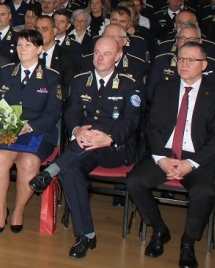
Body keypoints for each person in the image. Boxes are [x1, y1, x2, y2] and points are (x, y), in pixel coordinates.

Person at [30, 36, 140, 258]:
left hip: (113, 149)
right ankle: (86, 236)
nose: (100, 58)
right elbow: (71, 112)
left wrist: (109, 138)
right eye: (97, 53)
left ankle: (49, 171)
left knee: (78, 154)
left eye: (107, 54)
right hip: (83, 147)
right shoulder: (81, 81)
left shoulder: (130, 85)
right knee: (69, 172)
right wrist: (77, 130)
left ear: (118, 57)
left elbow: (131, 120)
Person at [127, 42, 215, 268]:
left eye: (191, 60)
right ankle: (160, 230)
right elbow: (152, 128)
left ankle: (188, 243)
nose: (184, 64)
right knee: (134, 182)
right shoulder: (164, 89)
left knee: (204, 191)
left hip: (198, 156)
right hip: (164, 153)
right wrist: (161, 160)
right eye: (181, 59)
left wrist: (190, 163)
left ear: (204, 65)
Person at [0, 29, 61, 234]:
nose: (22, 49)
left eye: (28, 45)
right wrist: (8, 125)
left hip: (38, 130)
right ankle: (1, 209)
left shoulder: (51, 76)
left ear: (39, 49)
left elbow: (53, 113)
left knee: (28, 162)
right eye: (19, 44)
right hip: (9, 127)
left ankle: (19, 210)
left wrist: (29, 126)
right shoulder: (6, 71)